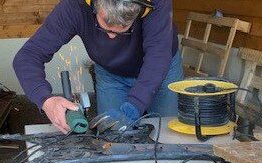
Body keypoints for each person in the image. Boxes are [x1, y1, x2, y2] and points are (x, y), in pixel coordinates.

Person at [13, 0, 183, 134]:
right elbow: (27, 56)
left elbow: (158, 57)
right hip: (112, 74)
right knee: (113, 142)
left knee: (167, 137)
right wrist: (46, 100)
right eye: (105, 28)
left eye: (121, 31)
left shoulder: (156, 3)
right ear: (93, 5)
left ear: (141, 10)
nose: (111, 37)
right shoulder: (74, 6)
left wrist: (135, 105)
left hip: (162, 70)